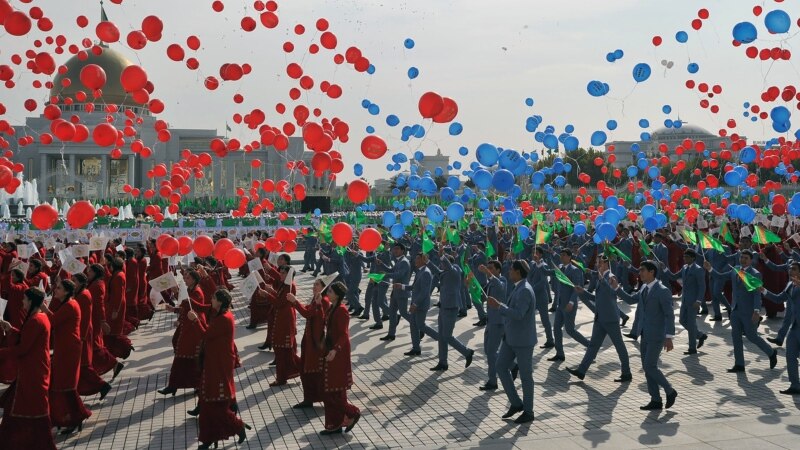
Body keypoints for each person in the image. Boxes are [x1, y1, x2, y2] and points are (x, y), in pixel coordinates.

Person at [613, 261, 678, 410]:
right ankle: (655, 399)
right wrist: (616, 287)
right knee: (647, 367)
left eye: (642, 270)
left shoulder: (662, 290)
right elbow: (630, 299)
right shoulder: (643, 288)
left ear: (652, 272)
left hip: (657, 335)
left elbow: (669, 315)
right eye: (640, 270)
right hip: (644, 333)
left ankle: (670, 390)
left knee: (650, 366)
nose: (639, 273)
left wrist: (669, 337)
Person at [190, 289, 250, 449]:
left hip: (218, 365)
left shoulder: (224, 318)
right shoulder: (221, 315)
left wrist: (196, 321)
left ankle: (238, 426)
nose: (211, 299)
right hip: (214, 362)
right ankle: (209, 439)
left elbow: (206, 334)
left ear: (221, 301)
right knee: (208, 403)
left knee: (214, 403)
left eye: (214, 297)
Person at [0, 287, 57, 450]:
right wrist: (11, 329)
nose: (22, 302)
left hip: (33, 370)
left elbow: (23, 348)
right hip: (32, 368)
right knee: (16, 407)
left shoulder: (36, 320)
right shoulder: (38, 317)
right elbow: (26, 339)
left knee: (33, 408)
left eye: (25, 299)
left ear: (31, 301)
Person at [704, 250, 778, 373]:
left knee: (752, 336)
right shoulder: (735, 269)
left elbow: (756, 294)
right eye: (741, 257)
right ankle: (739, 364)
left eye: (745, 258)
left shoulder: (755, 273)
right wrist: (710, 269)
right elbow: (721, 277)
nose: (742, 260)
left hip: (748, 311)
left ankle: (771, 352)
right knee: (735, 336)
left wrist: (756, 311)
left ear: (751, 260)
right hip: (735, 309)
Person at [568, 256, 632, 383]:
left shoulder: (611, 277)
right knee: (593, 346)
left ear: (606, 264)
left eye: (600, 262)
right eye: (597, 262)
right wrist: (583, 292)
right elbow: (596, 297)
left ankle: (626, 373)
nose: (597, 264)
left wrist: (603, 280)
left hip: (610, 319)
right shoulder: (600, 277)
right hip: (600, 318)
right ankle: (581, 371)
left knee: (619, 346)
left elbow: (612, 293)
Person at [487, 260, 536, 424]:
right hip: (511, 338)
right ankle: (516, 403)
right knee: (500, 366)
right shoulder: (519, 287)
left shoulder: (525, 291)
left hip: (522, 341)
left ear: (518, 272)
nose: (509, 273)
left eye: (511, 270)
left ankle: (528, 411)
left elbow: (519, 314)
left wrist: (499, 306)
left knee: (526, 377)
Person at [41, 279, 92, 434]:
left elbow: (53, 321)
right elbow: (56, 319)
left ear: (67, 292)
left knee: (66, 385)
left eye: (59, 289)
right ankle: (70, 417)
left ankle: (77, 415)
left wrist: (43, 308)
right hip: (65, 346)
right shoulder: (69, 303)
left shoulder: (70, 305)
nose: (55, 290)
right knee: (63, 384)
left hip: (68, 349)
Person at [286, 273, 336, 408]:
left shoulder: (323, 301)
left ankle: (323, 399)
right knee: (305, 370)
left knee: (314, 371)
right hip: (309, 340)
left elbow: (308, 313)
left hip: (317, 343)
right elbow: (308, 310)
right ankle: (308, 398)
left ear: (324, 287)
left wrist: (295, 301)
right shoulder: (316, 299)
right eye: (314, 284)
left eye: (317, 285)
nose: (314, 287)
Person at [319, 281, 361, 435]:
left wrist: (335, 350)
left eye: (329, 291)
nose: (327, 293)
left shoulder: (342, 311)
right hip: (331, 350)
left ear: (336, 294)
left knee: (334, 389)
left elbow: (344, 334)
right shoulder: (332, 308)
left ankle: (352, 413)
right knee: (330, 389)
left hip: (338, 352)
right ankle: (335, 424)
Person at [158, 269, 208, 396]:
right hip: (187, 326)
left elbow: (193, 306)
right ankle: (173, 385)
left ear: (195, 279)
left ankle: (196, 384)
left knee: (190, 356)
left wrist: (177, 296)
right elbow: (185, 305)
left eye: (188, 278)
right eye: (185, 277)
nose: (185, 280)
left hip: (194, 327)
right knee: (180, 355)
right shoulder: (190, 290)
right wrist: (174, 309)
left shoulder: (197, 291)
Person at [760, 262, 800, 395]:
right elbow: (778, 299)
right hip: (794, 328)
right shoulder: (789, 285)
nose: (790, 271)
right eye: (789, 269)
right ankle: (795, 385)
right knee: (790, 356)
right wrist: (763, 290)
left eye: (793, 269)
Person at [543, 249, 588, 362]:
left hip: (569, 305)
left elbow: (576, 288)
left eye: (563, 255)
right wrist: (541, 260)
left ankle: (590, 346)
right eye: (561, 255)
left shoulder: (575, 270)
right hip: (560, 304)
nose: (561, 257)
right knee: (557, 328)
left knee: (570, 330)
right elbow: (547, 272)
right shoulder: (560, 269)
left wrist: (572, 302)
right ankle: (560, 353)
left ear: (569, 257)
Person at [73, 273, 112, 399]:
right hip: (82, 333)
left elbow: (83, 318)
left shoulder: (84, 295)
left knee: (84, 365)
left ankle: (102, 385)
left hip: (83, 334)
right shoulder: (82, 293)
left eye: (74, 281)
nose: (72, 283)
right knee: (83, 366)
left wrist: (81, 337)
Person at [665, 249, 708, 355]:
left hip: (693, 301)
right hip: (685, 300)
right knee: (682, 321)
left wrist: (699, 300)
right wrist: (665, 269)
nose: (684, 259)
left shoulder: (698, 270)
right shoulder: (684, 268)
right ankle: (699, 335)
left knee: (691, 323)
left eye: (687, 257)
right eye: (684, 257)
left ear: (693, 258)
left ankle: (692, 348)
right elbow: (674, 276)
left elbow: (702, 286)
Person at [479, 260, 507, 390]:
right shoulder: (490, 282)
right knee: (487, 349)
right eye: (487, 267)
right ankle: (512, 365)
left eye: (491, 268)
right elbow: (482, 296)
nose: (488, 270)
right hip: (490, 320)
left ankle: (492, 381)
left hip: (498, 321)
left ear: (497, 270)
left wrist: (489, 274)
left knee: (491, 352)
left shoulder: (502, 280)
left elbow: (501, 287)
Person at [380, 243, 412, 342]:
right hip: (395, 292)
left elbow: (398, 275)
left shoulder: (404, 262)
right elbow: (391, 270)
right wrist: (381, 264)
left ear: (403, 250)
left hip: (402, 292)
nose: (395, 251)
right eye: (394, 249)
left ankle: (418, 327)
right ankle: (391, 334)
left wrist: (386, 275)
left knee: (404, 313)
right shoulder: (399, 261)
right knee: (393, 313)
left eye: (397, 249)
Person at [104, 257, 134, 359]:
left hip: (116, 306)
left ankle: (125, 346)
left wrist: (116, 310)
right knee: (113, 331)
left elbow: (118, 295)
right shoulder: (117, 275)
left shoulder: (119, 276)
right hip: (114, 305)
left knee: (114, 331)